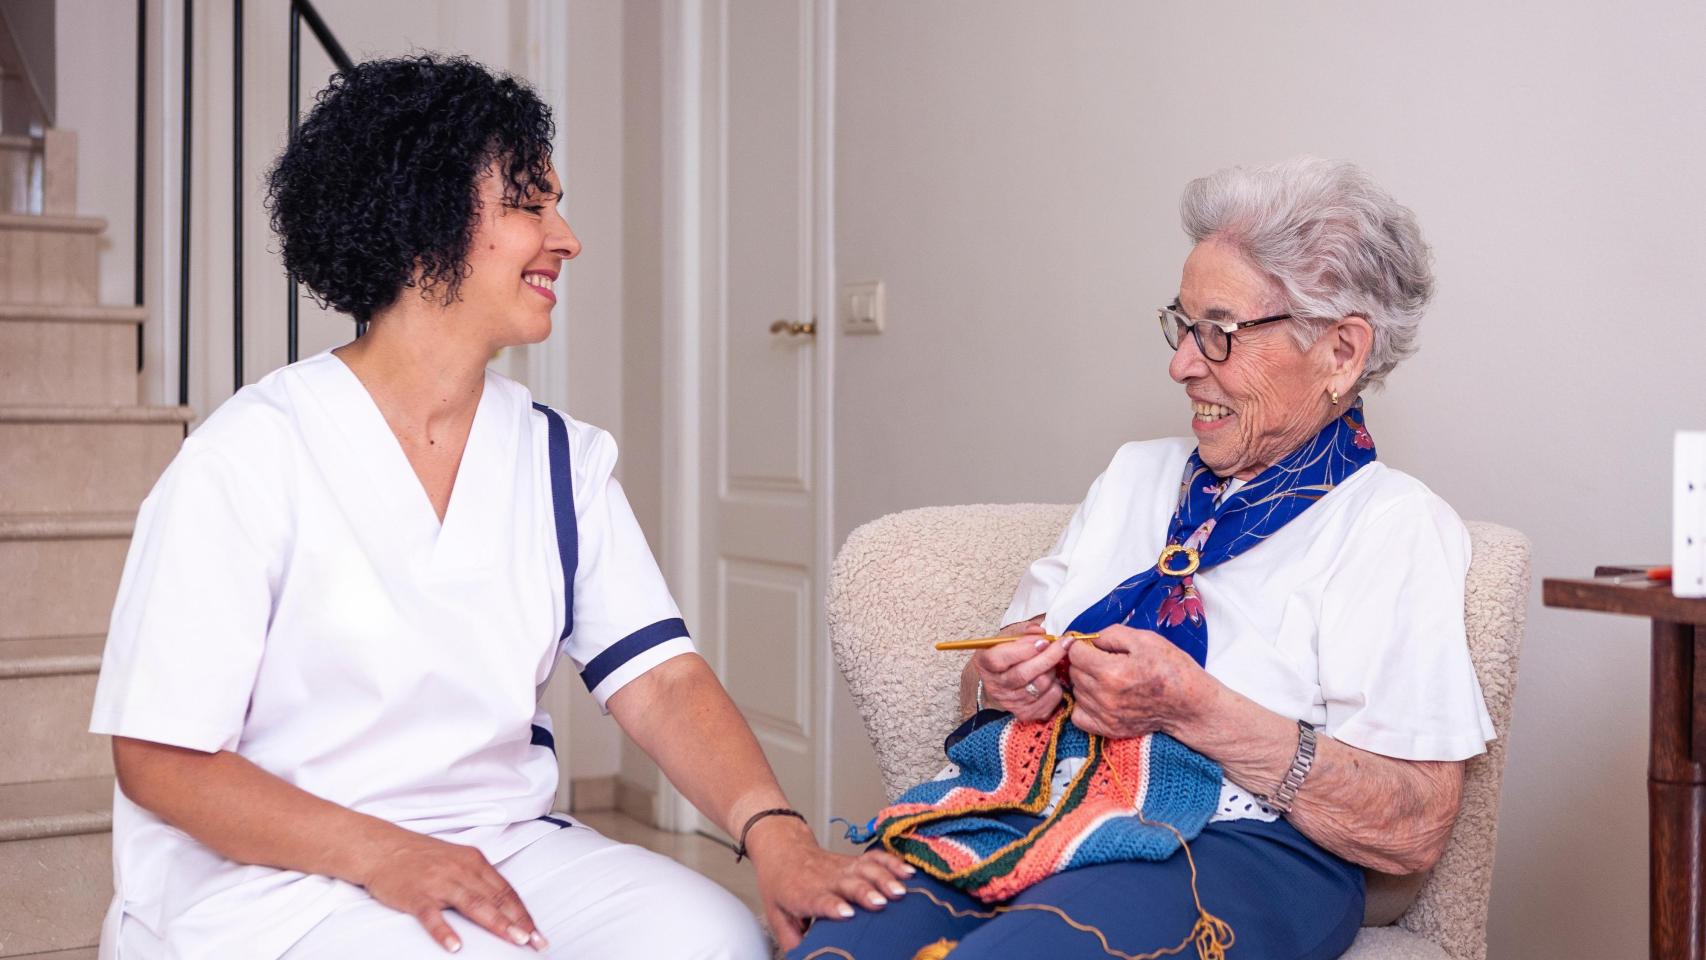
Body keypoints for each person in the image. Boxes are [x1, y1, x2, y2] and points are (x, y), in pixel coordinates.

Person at [89, 54, 909, 960]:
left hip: (499, 842)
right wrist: (387, 854)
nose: (567, 238)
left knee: (709, 937)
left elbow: (662, 681)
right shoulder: (245, 459)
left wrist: (776, 836)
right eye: (531, 204)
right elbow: (157, 759)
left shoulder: (562, 458)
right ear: (422, 221)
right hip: (274, 876)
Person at [789, 157, 1493, 960]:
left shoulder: (1394, 526)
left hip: (1243, 849)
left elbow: (1412, 826)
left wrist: (1192, 709)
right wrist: (1003, 676)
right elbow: (982, 685)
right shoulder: (1136, 475)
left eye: (1220, 332)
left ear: (1340, 351)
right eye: (1182, 325)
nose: (1183, 363)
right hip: (1038, 806)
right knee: (837, 948)